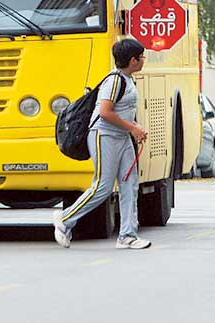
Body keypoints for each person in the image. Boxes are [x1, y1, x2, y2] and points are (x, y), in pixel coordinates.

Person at [53, 38, 151, 250]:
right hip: (103, 136)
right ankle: (64, 220)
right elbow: (105, 113)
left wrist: (133, 127)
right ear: (133, 60)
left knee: (129, 183)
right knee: (103, 186)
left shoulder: (127, 79)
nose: (144, 60)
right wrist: (132, 127)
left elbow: (120, 111)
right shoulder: (115, 80)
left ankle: (127, 235)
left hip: (122, 137)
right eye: (142, 56)